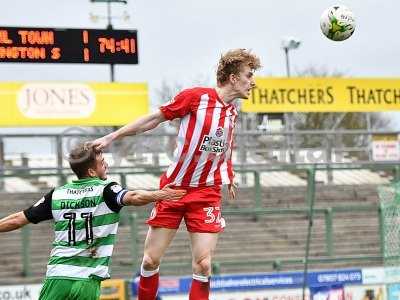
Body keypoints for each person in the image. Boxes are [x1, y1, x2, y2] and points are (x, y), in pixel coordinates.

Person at [92, 48, 261, 300]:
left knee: (203, 264)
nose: (253, 82)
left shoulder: (233, 112)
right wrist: (113, 136)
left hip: (206, 193)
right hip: (172, 190)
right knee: (150, 261)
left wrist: (229, 174)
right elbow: (154, 119)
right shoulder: (196, 98)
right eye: (249, 75)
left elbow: (224, 148)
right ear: (233, 78)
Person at [0, 143, 186, 300]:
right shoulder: (106, 190)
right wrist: (159, 194)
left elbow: (17, 219)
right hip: (88, 280)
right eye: (102, 163)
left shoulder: (57, 194)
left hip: (58, 277)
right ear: (91, 171)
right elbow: (134, 197)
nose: (106, 165)